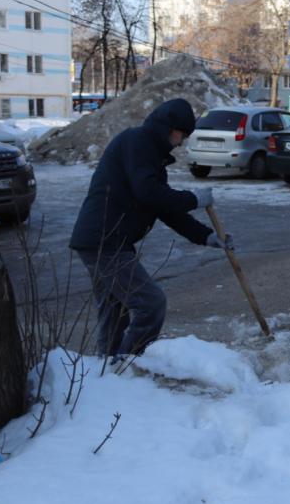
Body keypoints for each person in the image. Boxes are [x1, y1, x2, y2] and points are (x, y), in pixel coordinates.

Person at [70, 98, 234, 361]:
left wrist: (207, 236)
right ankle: (127, 364)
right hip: (103, 240)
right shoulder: (137, 142)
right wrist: (194, 199)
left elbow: (166, 209)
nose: (181, 142)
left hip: (108, 241)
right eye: (181, 134)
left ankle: (109, 370)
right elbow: (148, 193)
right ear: (169, 127)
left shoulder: (151, 157)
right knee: (150, 303)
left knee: (115, 311)